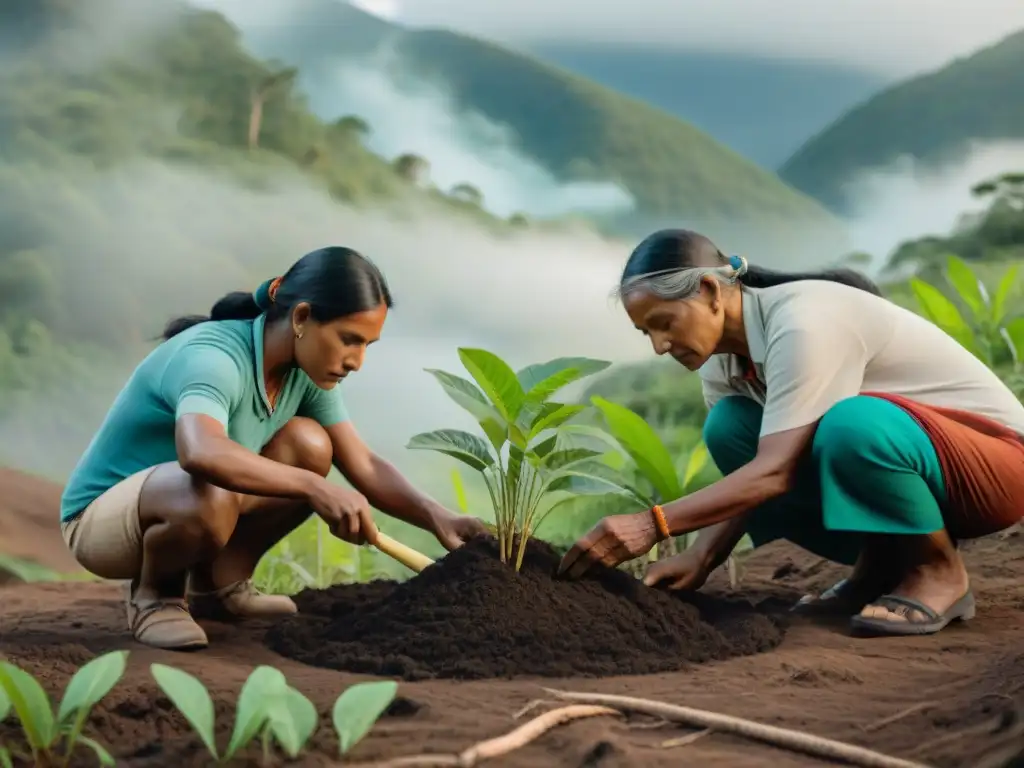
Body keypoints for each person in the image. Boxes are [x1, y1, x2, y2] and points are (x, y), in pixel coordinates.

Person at [558, 228, 1024, 637]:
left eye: (664, 324)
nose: (660, 346)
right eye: (647, 334)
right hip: (915, 469)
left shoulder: (804, 321)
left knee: (850, 426)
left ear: (709, 291)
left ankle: (937, 570)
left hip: (996, 467)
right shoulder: (723, 361)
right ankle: (879, 568)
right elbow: (753, 469)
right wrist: (701, 555)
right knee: (732, 428)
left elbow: (774, 473)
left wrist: (652, 525)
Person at [60, 246, 486, 651]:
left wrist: (438, 516)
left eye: (366, 346)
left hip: (190, 500)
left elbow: (365, 465)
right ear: (302, 317)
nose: (357, 361)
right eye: (349, 339)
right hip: (102, 522)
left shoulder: (306, 373)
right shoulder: (215, 357)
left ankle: (221, 587)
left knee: (310, 445)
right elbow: (201, 453)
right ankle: (156, 598)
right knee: (213, 487)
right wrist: (312, 487)